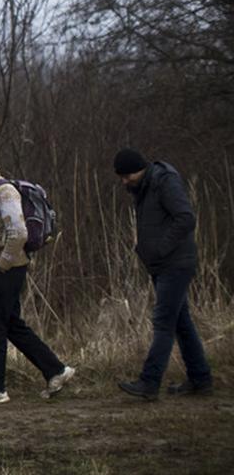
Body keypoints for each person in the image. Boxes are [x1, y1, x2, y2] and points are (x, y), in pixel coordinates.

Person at [0, 148, 75, 405]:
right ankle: (55, 370)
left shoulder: (2, 190)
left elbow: (18, 233)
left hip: (7, 268)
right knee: (11, 324)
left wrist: (2, 266)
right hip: (1, 267)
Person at [113, 149, 213, 400]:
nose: (125, 182)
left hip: (175, 263)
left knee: (163, 321)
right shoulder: (145, 187)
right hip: (161, 264)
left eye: (127, 176)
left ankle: (149, 382)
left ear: (140, 169)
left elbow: (185, 218)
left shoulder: (164, 181)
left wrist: (160, 249)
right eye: (121, 177)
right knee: (181, 323)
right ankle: (200, 379)